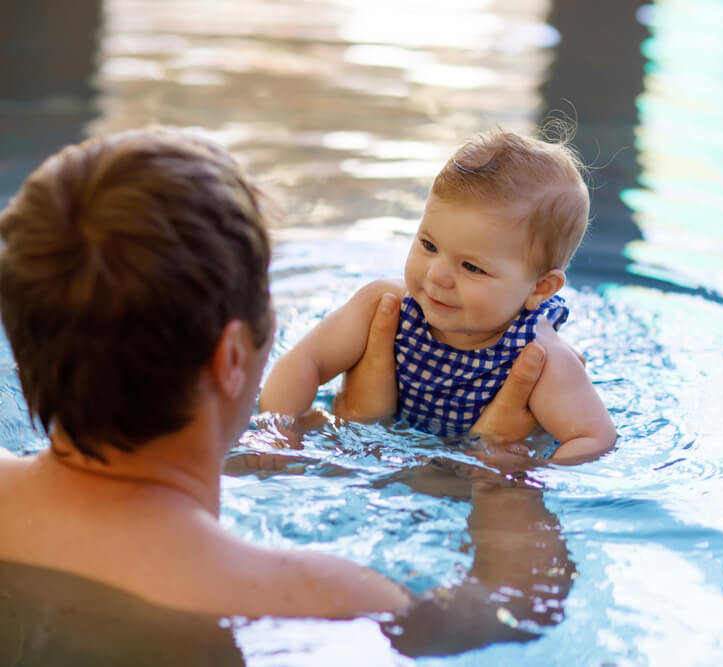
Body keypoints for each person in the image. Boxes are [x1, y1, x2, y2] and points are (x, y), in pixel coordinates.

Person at [0, 128, 561, 644]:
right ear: (232, 358)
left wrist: (340, 432)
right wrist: (502, 471)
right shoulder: (329, 598)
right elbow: (523, 611)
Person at [259, 128, 617, 464]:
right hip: (381, 451)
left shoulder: (539, 355)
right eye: (428, 245)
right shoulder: (383, 305)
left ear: (539, 288)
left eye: (472, 267)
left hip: (464, 479)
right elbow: (305, 361)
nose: (437, 275)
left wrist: (525, 473)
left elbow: (594, 437)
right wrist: (277, 430)